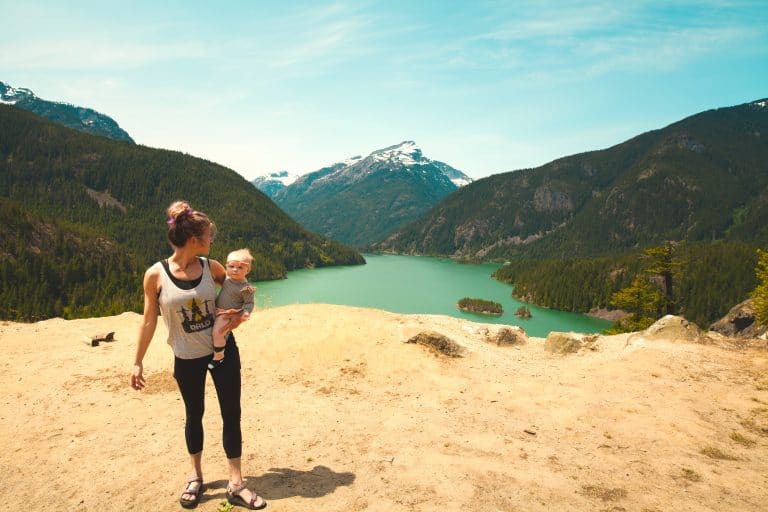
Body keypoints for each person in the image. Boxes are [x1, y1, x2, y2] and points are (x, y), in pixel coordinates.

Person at [130, 200, 266, 510]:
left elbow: (237, 290)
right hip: (186, 356)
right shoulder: (156, 275)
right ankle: (196, 476)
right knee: (195, 415)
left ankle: (236, 483)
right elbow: (149, 319)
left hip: (223, 353)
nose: (212, 240)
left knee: (232, 413)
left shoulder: (213, 267)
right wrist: (137, 361)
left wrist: (238, 317)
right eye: (208, 235)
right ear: (194, 240)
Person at [209, 248, 256, 370]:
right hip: (217, 310)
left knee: (218, 332)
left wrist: (245, 313)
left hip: (227, 314)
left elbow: (249, 303)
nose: (235, 270)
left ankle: (218, 356)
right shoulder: (227, 279)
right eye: (231, 266)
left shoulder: (246, 288)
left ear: (247, 270)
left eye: (240, 268)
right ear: (226, 267)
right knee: (217, 332)